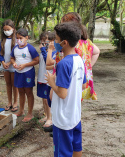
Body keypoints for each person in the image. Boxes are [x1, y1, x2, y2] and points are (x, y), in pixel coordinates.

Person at [45, 22, 86, 157]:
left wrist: (52, 82)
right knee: (76, 147)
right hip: (75, 116)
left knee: (62, 152)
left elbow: (62, 94)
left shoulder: (63, 64)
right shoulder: (79, 59)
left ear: (64, 42)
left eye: (56, 39)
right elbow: (84, 85)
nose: (55, 42)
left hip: (63, 120)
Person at [46, 12, 100, 100]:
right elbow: (97, 52)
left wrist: (52, 88)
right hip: (79, 82)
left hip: (63, 83)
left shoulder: (66, 45)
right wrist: (87, 67)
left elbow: (60, 66)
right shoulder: (86, 42)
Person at [10, 28, 39, 122]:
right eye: (17, 38)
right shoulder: (15, 48)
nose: (19, 40)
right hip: (18, 73)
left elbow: (36, 60)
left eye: (21, 38)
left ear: (27, 37)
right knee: (21, 91)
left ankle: (30, 113)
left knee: (28, 92)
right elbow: (12, 58)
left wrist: (25, 65)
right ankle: (21, 111)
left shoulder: (30, 48)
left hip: (28, 73)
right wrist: (13, 63)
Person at [37, 32, 56, 131]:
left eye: (47, 41)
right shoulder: (44, 50)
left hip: (48, 79)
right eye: (43, 41)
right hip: (41, 77)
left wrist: (44, 50)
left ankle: (50, 118)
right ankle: (46, 115)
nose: (44, 43)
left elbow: (47, 62)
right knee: (43, 99)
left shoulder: (52, 52)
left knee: (47, 99)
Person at [0, 19, 19, 112]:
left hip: (13, 66)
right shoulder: (3, 40)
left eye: (8, 29)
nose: (6, 31)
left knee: (15, 85)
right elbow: (0, 53)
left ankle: (15, 103)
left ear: (13, 29)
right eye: (5, 29)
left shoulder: (17, 41)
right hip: (5, 66)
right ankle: (9, 102)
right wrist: (3, 63)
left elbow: (18, 54)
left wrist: (10, 63)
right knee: (8, 84)